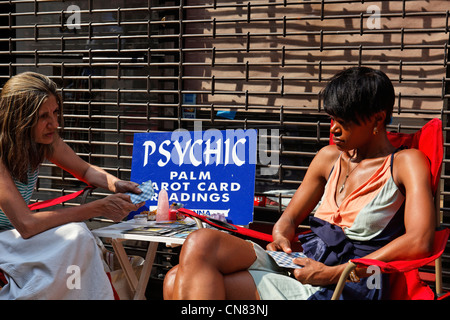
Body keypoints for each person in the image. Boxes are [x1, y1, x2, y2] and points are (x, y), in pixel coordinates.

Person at [163, 66, 435, 300]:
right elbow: (288, 219)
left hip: (347, 281)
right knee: (200, 242)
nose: (333, 129)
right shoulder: (329, 158)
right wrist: (281, 236)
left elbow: (419, 240)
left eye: (344, 121)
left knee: (177, 280)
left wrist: (332, 273)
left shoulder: (405, 162)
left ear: (377, 118)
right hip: (302, 262)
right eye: (332, 118)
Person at [0, 72, 145, 299]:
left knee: (79, 238)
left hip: (15, 238)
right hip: (9, 240)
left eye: (56, 112)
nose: (54, 123)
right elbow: (26, 224)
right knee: (77, 235)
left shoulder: (44, 141)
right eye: (43, 116)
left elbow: (85, 171)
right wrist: (98, 208)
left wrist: (117, 184)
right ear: (20, 118)